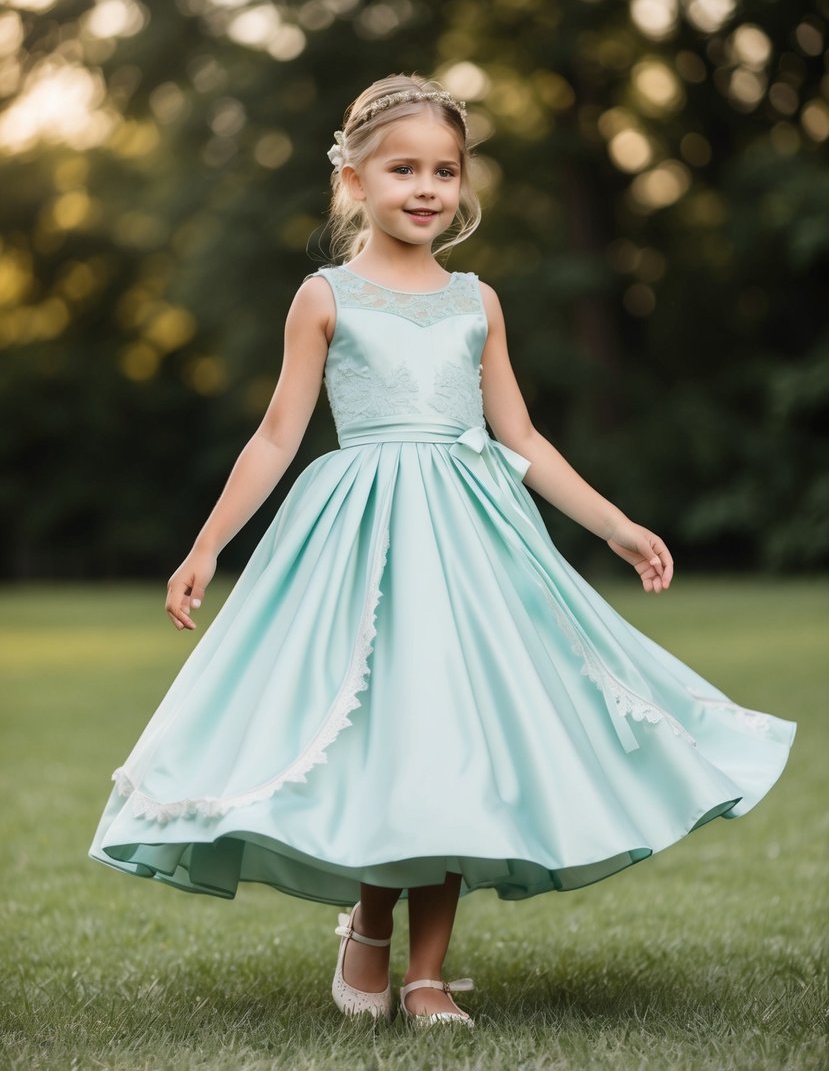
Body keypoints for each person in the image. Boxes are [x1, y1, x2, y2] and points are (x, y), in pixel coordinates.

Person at [88, 73, 796, 1031]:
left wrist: (616, 525)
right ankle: (367, 933)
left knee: (461, 733)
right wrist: (209, 544)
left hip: (471, 540)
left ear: (462, 187)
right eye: (402, 168)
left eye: (444, 171)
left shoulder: (475, 301)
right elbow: (275, 437)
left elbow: (525, 441)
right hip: (363, 544)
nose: (425, 187)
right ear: (354, 181)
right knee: (389, 734)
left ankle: (427, 974)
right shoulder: (324, 295)